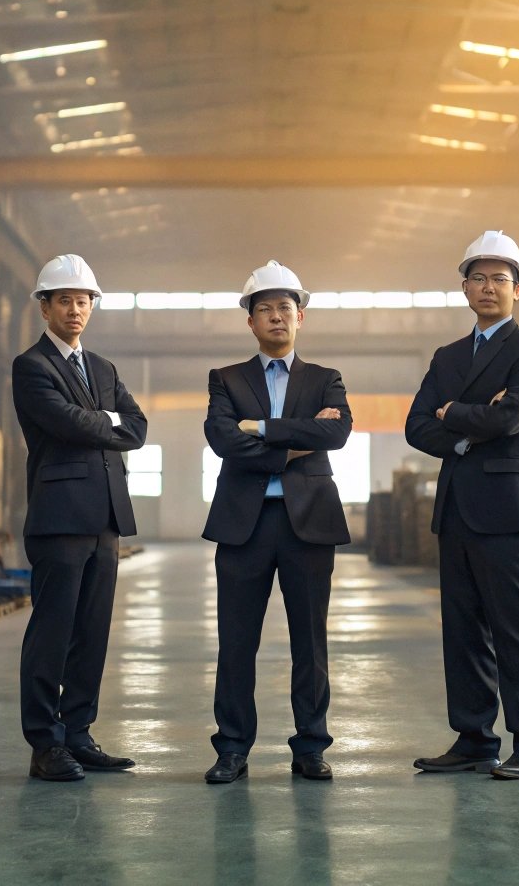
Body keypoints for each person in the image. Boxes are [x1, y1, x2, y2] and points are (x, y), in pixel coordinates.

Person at [404, 230, 519, 781]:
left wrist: (452, 415)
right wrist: (463, 423)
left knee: (516, 629)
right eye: (478, 278)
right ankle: (474, 738)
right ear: (465, 289)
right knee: (463, 630)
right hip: (455, 511)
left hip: (503, 509)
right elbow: (415, 426)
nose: (488, 287)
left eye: (500, 278)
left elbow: (509, 418)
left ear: (518, 289)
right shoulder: (447, 357)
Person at [202, 261, 353, 784]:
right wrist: (292, 446)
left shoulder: (325, 379)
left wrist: (262, 429)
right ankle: (232, 748)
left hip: (307, 524)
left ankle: (311, 746)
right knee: (236, 640)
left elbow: (336, 436)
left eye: (284, 308)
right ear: (250, 321)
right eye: (264, 309)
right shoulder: (225, 379)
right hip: (244, 524)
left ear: (300, 317)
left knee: (310, 642)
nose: (275, 317)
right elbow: (222, 439)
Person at [11, 253, 147, 782]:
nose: (75, 309)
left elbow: (135, 426)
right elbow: (66, 423)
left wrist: (102, 421)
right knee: (52, 631)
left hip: (106, 518)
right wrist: (104, 420)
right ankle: (45, 744)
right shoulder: (32, 367)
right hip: (59, 517)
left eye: (83, 300)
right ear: (44, 308)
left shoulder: (105, 369)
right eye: (64, 299)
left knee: (91, 632)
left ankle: (79, 733)